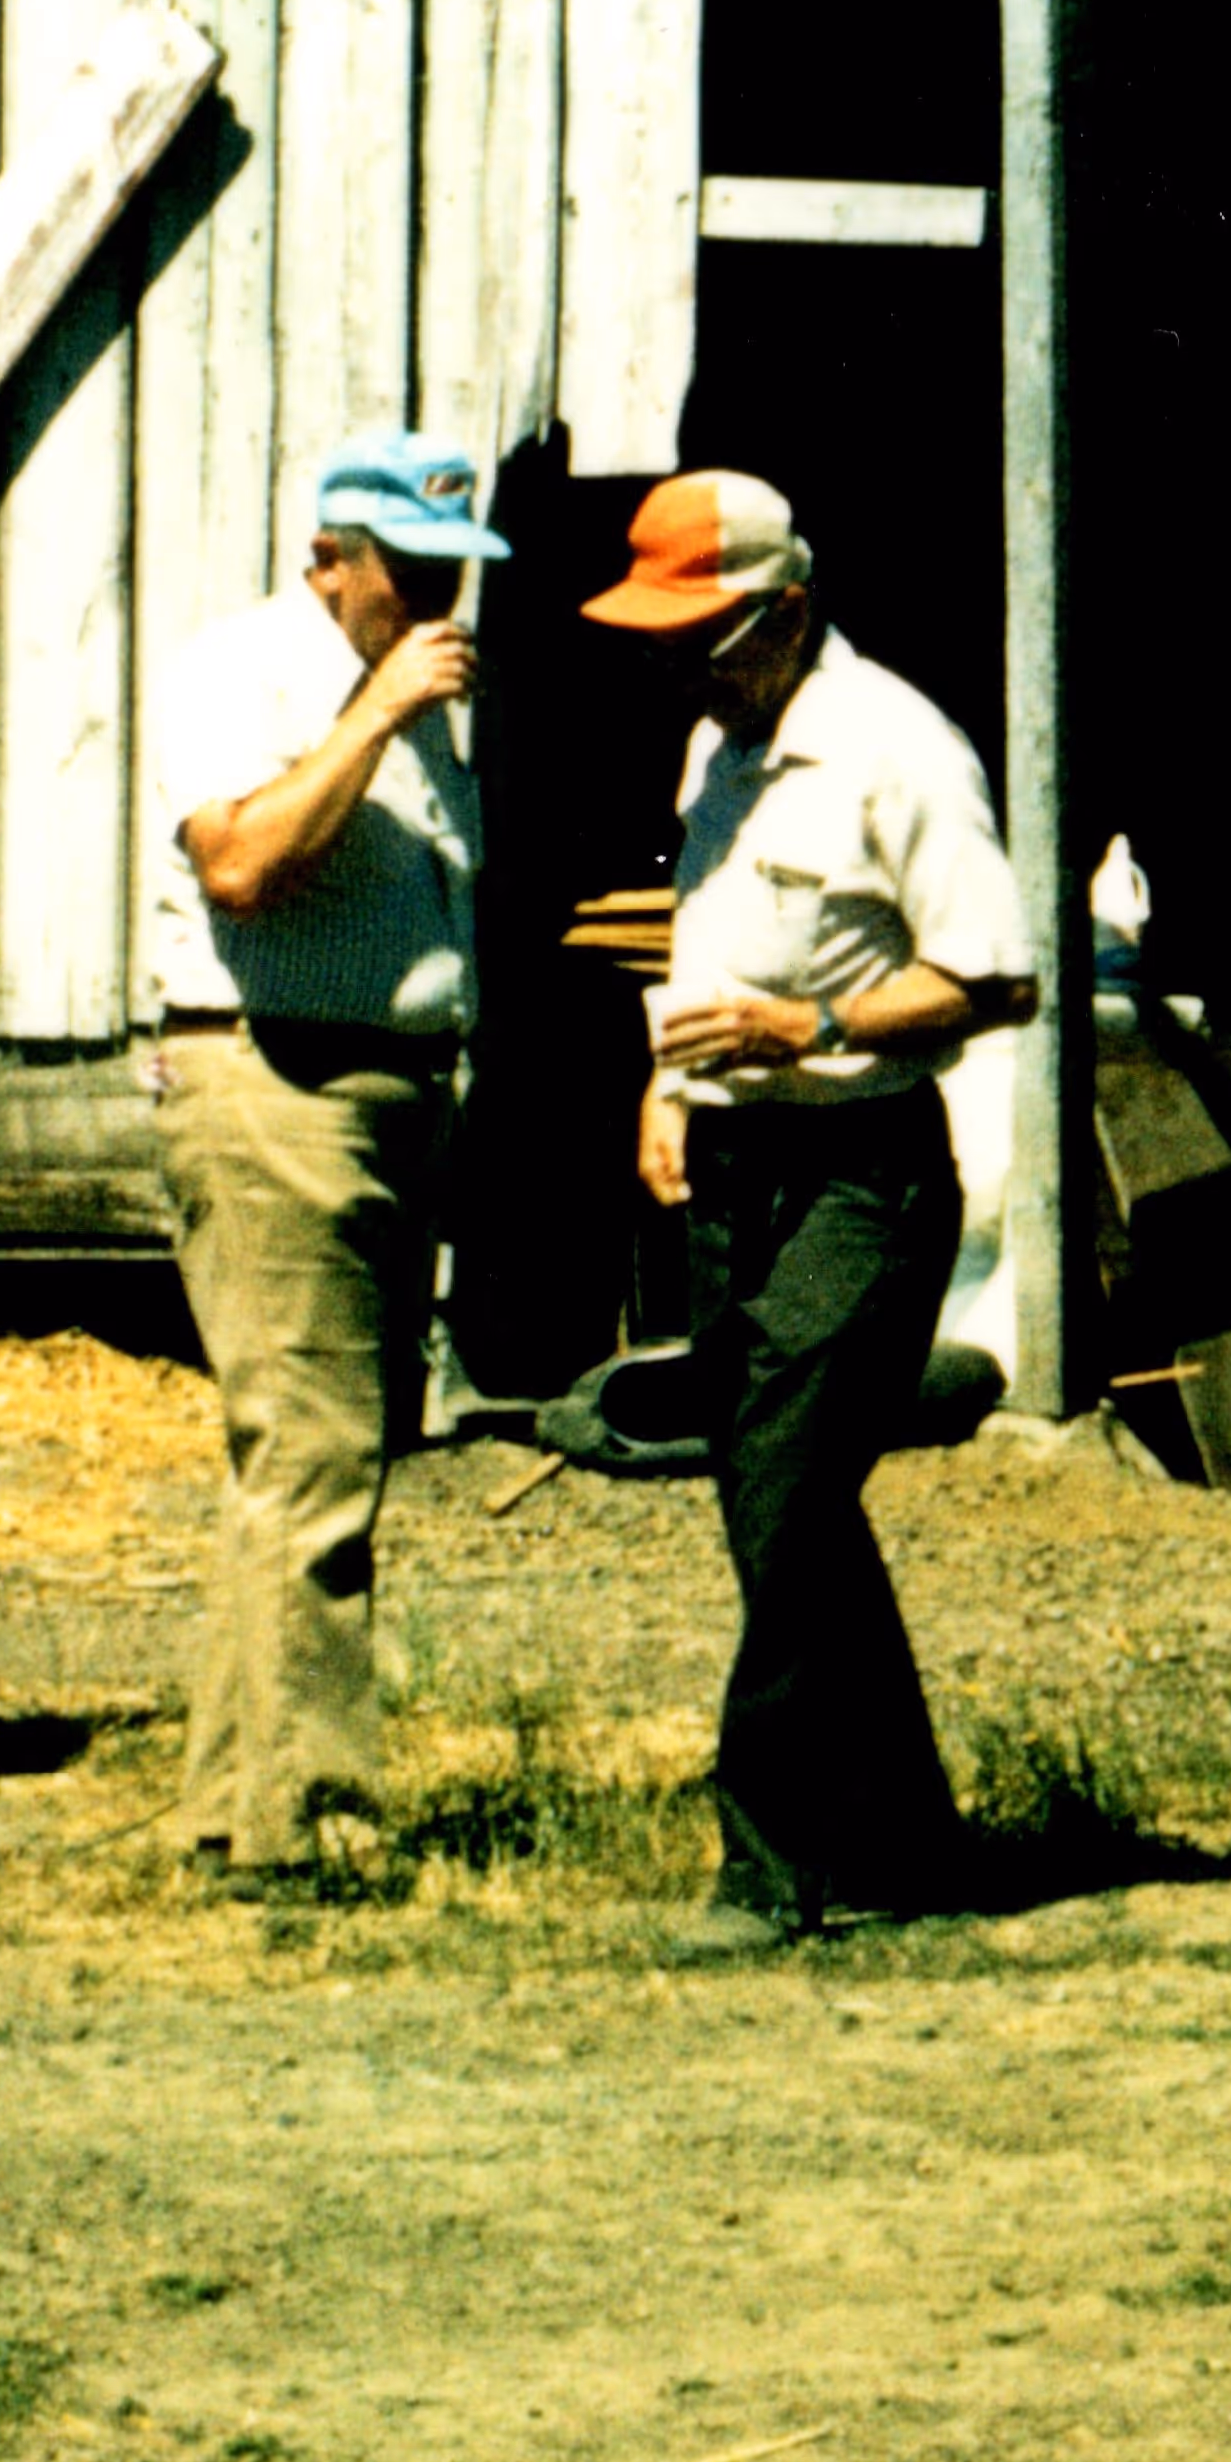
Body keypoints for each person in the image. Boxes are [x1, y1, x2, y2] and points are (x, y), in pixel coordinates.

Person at [581, 471, 1035, 1955]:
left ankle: (768, 1863)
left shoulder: (897, 751)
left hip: (863, 1169)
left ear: (784, 612)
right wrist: (669, 1085)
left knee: (784, 1484)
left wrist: (808, 1026)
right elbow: (699, 937)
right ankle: (908, 1838)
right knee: (782, 1508)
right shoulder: (716, 746)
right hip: (732, 1167)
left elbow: (994, 977)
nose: (669, 661)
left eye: (697, 633)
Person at [147, 428, 506, 1877]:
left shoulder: (412, 693)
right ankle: (320, 1822)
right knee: (317, 1462)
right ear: (323, 561)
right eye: (402, 577)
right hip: (278, 1083)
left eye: (451, 580)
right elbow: (236, 861)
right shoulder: (248, 673)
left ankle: (236, 1807)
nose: (431, 608)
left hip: (389, 1090)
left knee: (292, 1467)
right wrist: (367, 717)